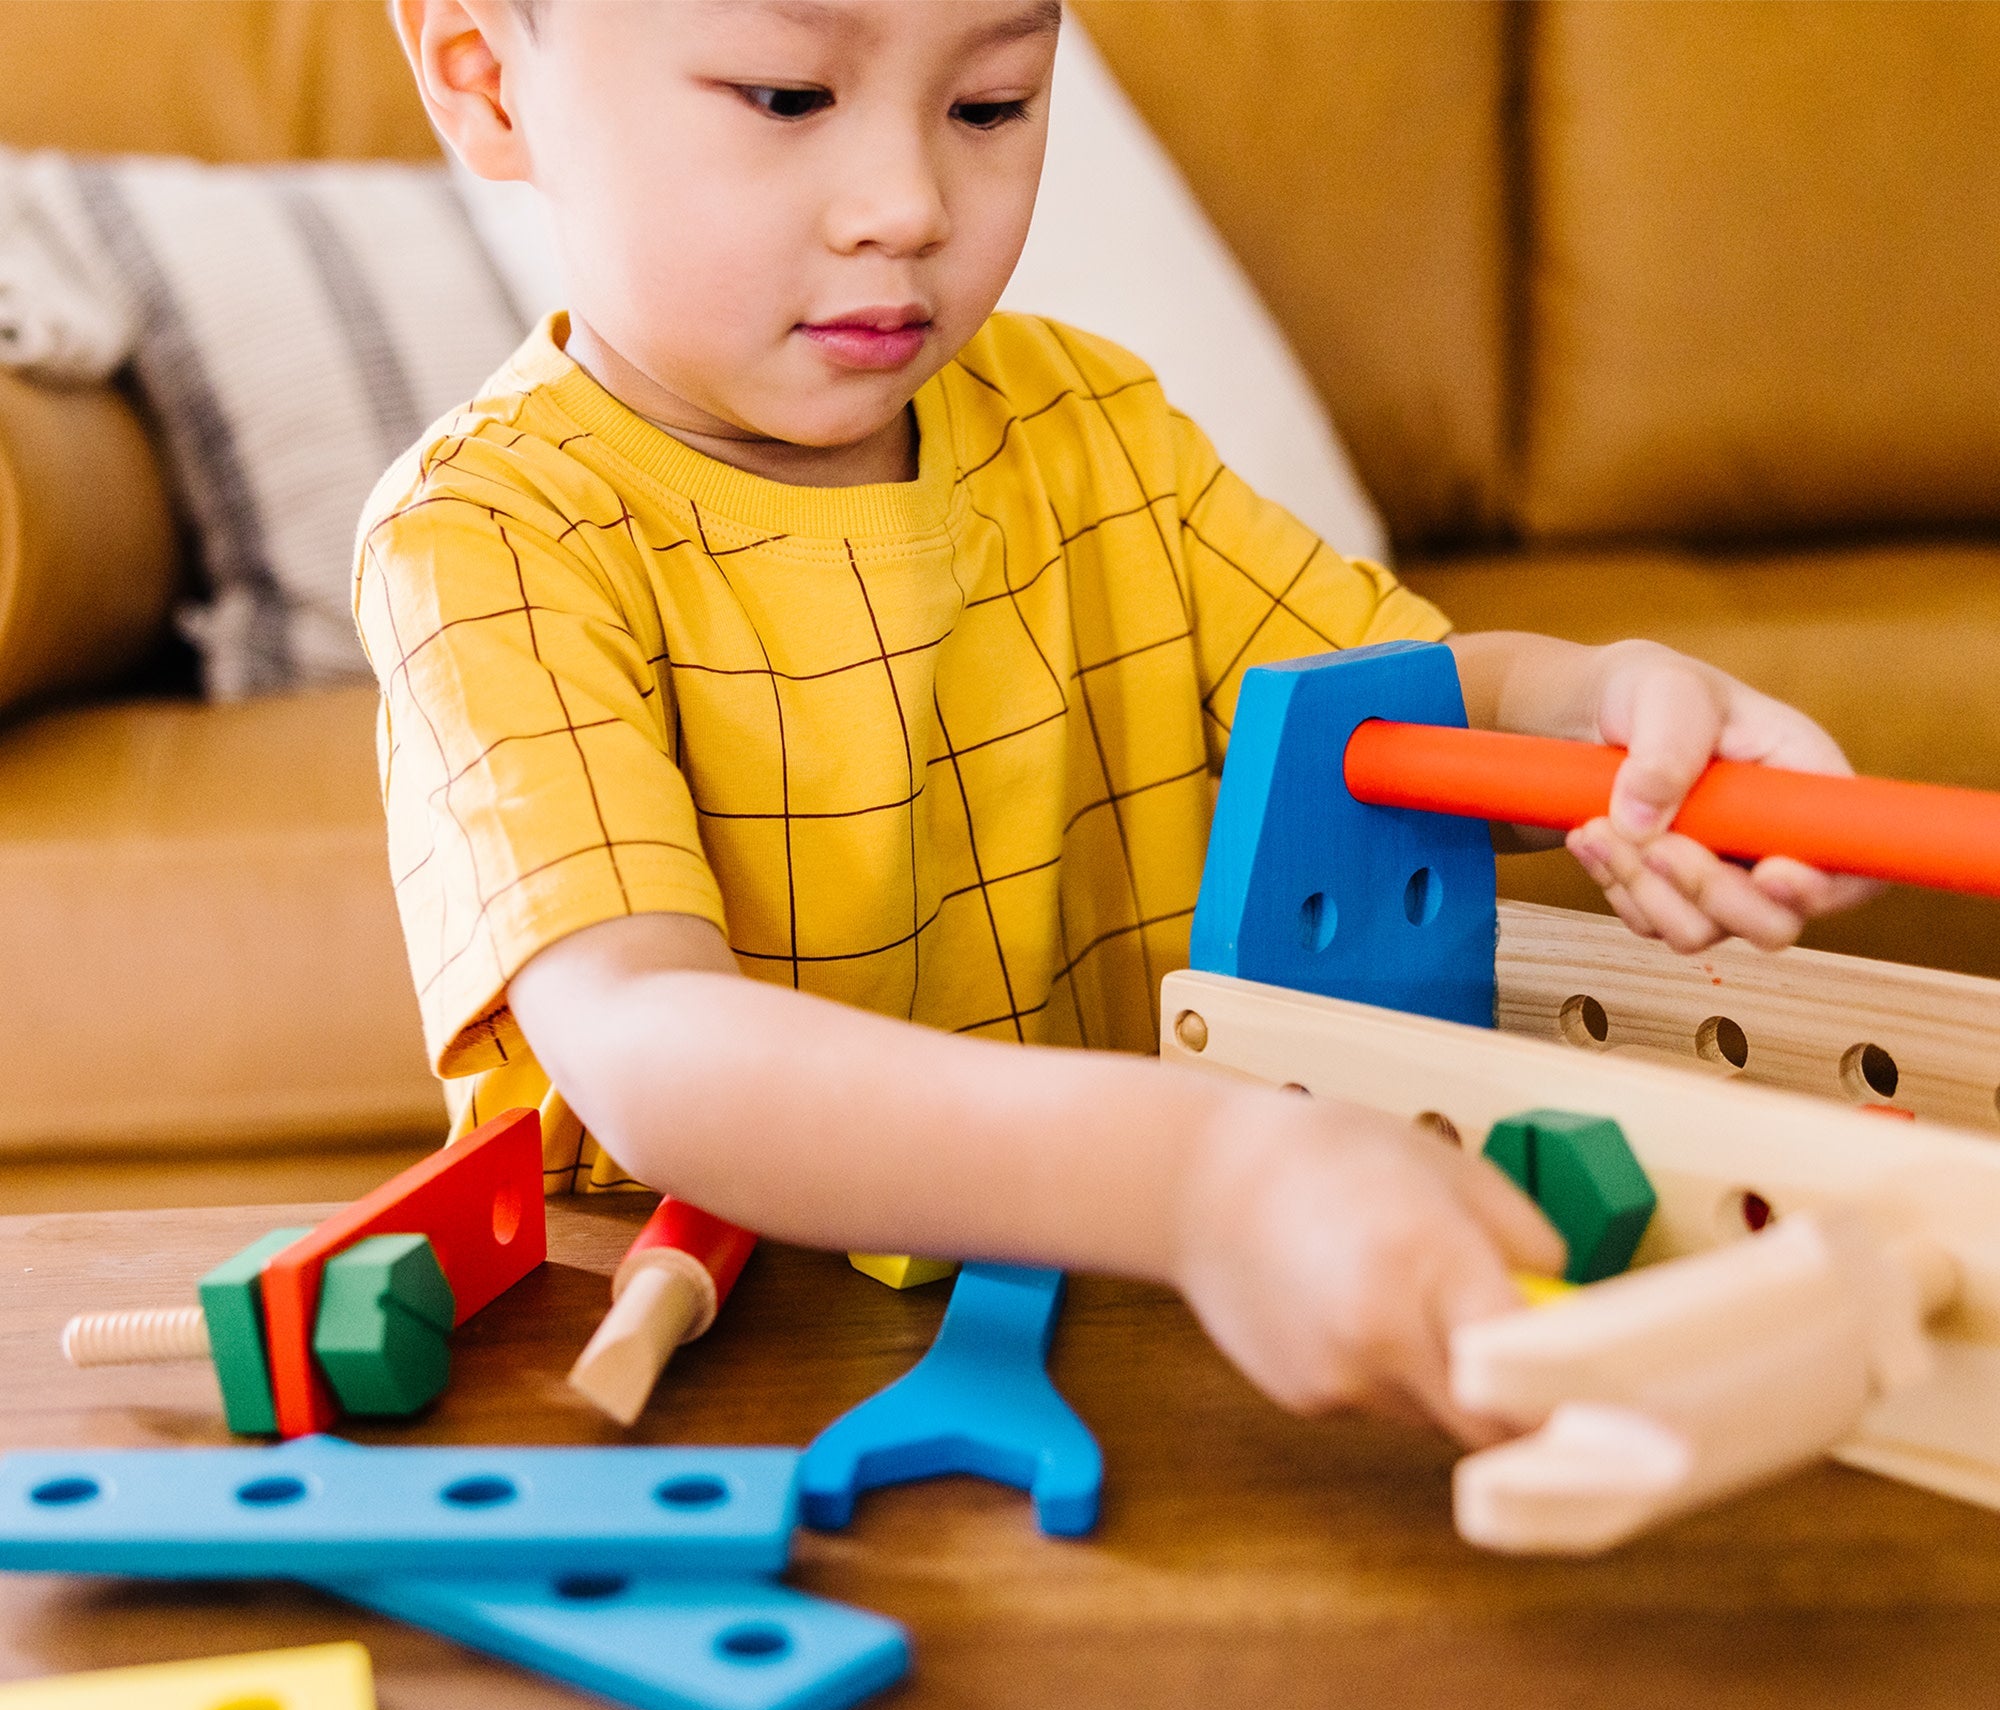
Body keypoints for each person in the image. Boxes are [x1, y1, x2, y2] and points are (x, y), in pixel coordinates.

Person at [362, 0, 1870, 1442]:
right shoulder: (490, 538)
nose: (908, 202)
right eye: (789, 97)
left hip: (1164, 1316)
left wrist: (1610, 711)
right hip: (745, 1349)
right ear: (488, 81)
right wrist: (1209, 1177)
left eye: (990, 104)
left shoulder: (1088, 425)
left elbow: (1394, 713)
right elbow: (651, 1043)